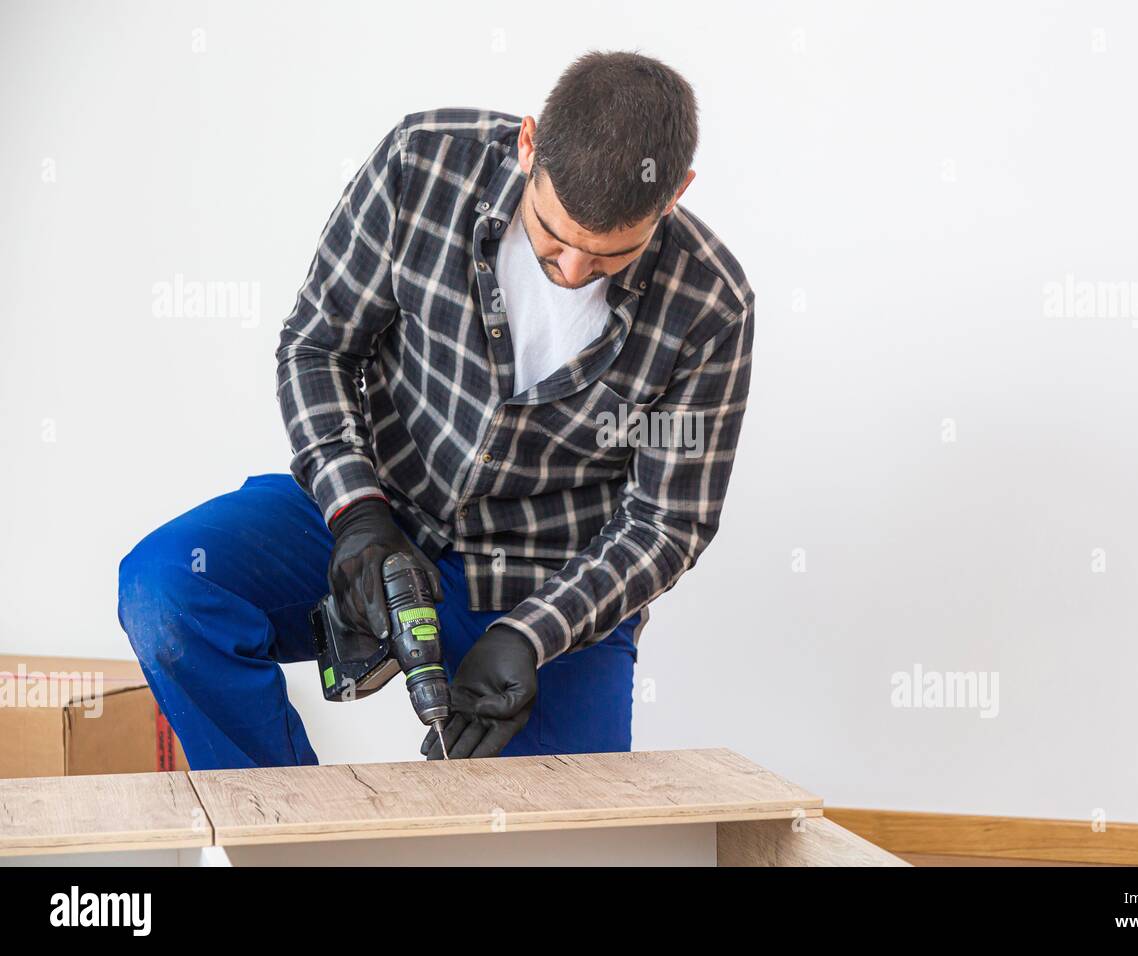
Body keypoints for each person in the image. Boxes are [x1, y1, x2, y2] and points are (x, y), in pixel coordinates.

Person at [118, 50, 754, 770]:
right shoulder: (420, 167)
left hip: (549, 582)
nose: (574, 272)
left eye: (607, 257)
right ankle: (284, 834)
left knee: (575, 827)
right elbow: (316, 346)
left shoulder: (710, 306)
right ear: (527, 144)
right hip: (380, 515)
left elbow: (667, 522)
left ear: (674, 195)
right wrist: (355, 514)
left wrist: (533, 633)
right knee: (169, 588)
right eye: (555, 236)